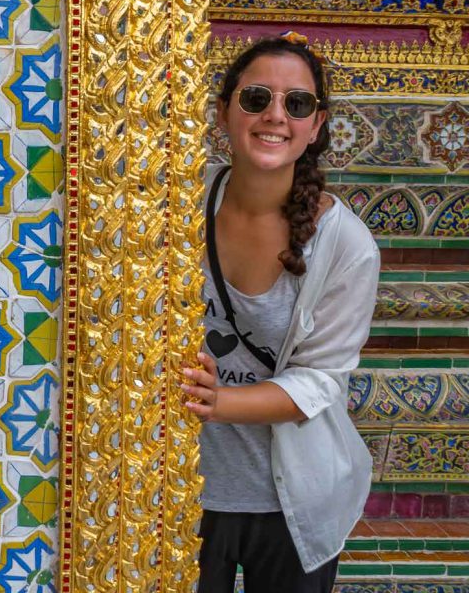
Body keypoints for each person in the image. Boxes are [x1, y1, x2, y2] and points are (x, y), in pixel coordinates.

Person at [181, 34, 379, 593]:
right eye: (255, 99)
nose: (275, 116)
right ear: (224, 113)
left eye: (297, 104)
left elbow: (321, 380)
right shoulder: (175, 206)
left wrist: (221, 402)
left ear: (316, 126)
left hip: (291, 498)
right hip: (181, 485)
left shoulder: (345, 245)